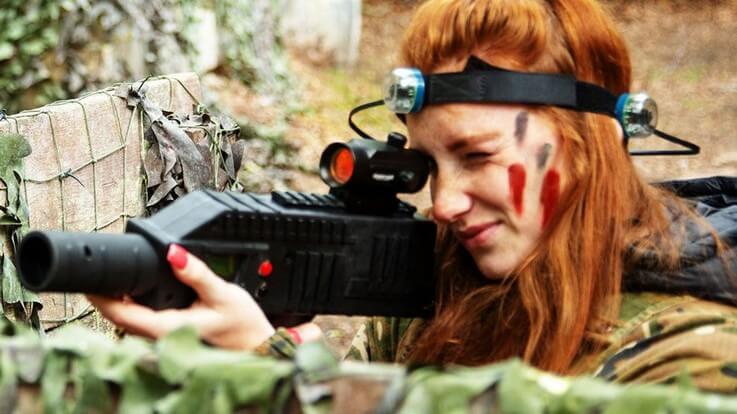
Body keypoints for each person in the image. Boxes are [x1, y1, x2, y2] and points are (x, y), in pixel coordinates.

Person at [89, 0, 737, 392]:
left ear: (586, 148)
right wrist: (291, 363)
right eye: (427, 164)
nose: (445, 203)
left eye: (478, 156)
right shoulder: (439, 303)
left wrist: (285, 381)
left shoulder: (695, 353)